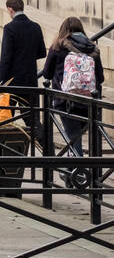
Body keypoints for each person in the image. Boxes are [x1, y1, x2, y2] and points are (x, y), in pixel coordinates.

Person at [42, 17, 104, 160]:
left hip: (66, 100)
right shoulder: (93, 48)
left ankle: (78, 174)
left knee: (73, 137)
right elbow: (100, 78)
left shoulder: (58, 47)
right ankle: (84, 175)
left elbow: (46, 73)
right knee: (78, 136)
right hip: (90, 101)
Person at [0, 0, 47, 140]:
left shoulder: (9, 28)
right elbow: (42, 52)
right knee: (32, 118)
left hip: (11, 81)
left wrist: (0, 81)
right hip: (30, 80)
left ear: (10, 10)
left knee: (6, 117)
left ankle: (6, 150)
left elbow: (6, 57)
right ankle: (47, 151)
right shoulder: (35, 27)